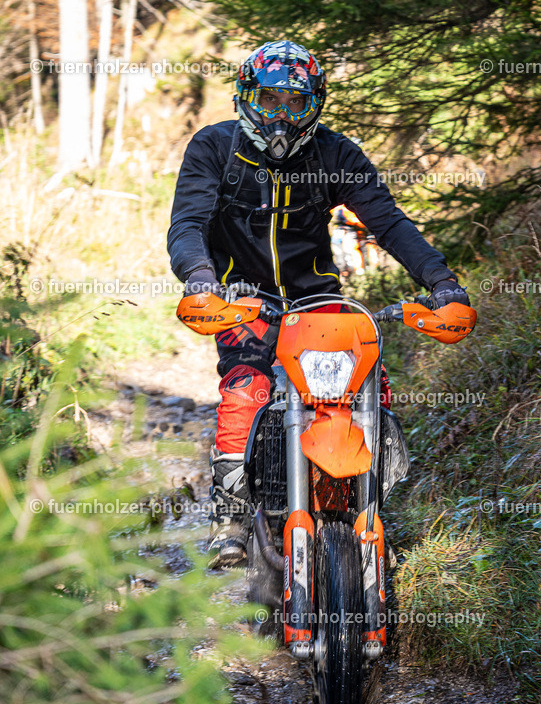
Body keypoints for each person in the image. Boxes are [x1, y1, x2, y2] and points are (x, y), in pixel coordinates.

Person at [167, 39, 470, 567]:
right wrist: (199, 280)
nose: (281, 116)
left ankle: (367, 505)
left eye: (296, 103)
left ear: (316, 104)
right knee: (247, 389)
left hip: (318, 300)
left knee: (364, 386)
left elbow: (388, 222)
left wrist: (441, 282)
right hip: (242, 300)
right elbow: (187, 223)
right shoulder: (214, 148)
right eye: (269, 101)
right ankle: (232, 517)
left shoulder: (336, 153)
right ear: (245, 98)